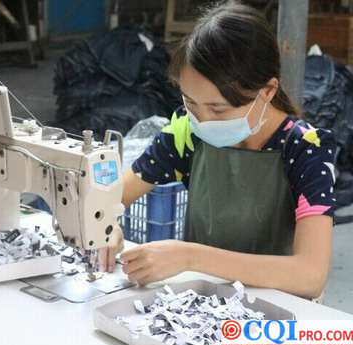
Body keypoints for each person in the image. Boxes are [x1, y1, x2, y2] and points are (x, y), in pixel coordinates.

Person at [98, 1, 337, 299]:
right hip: (204, 303)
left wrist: (190, 257)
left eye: (218, 109)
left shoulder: (306, 150)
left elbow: (310, 275)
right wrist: (106, 227)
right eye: (191, 103)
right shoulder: (186, 134)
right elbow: (109, 199)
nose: (203, 120)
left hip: (278, 313)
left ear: (267, 91)